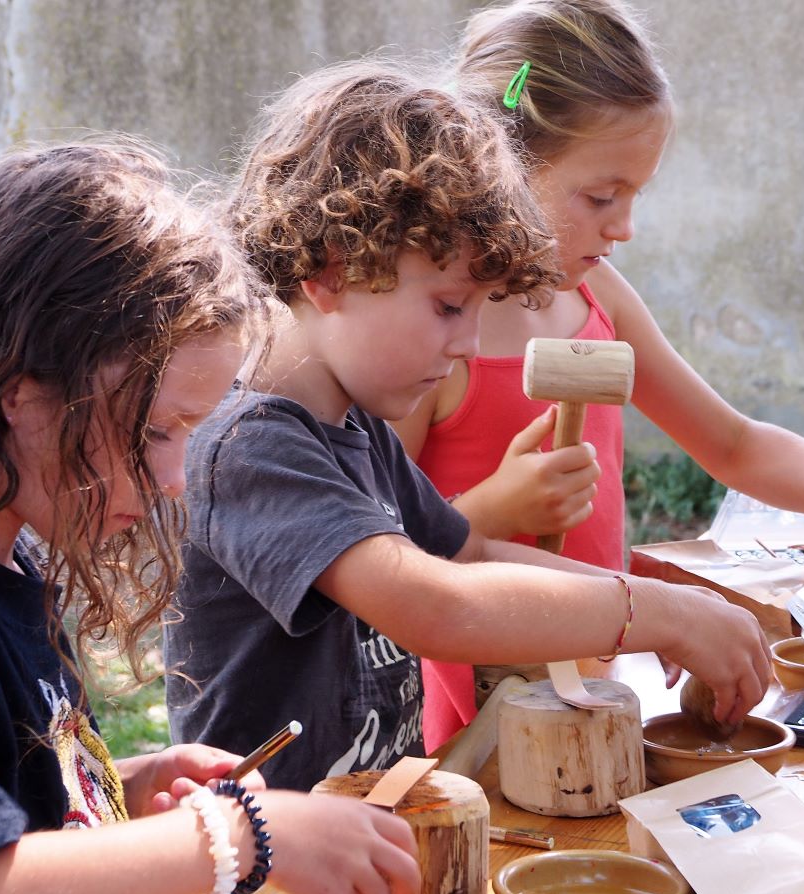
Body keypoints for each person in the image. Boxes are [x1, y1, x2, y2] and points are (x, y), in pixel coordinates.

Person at [164, 60, 772, 793]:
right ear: (331, 272)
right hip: (277, 857)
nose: (470, 345)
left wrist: (670, 606)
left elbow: (471, 554)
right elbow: (435, 607)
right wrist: (657, 615)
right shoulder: (249, 447)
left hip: (377, 828)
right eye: (451, 306)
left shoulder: (356, 427)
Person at [0, 139, 420, 894]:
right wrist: (227, 839)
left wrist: (120, 787)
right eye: (155, 431)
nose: (176, 479)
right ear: (14, 394)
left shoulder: (1, 555)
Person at [390, 0, 804, 750]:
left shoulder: (598, 301)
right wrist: (491, 506)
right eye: (600, 196)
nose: (625, 226)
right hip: (484, 707)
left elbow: (735, 445)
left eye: (634, 197)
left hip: (601, 684)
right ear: (498, 161)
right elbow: (385, 549)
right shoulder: (439, 332)